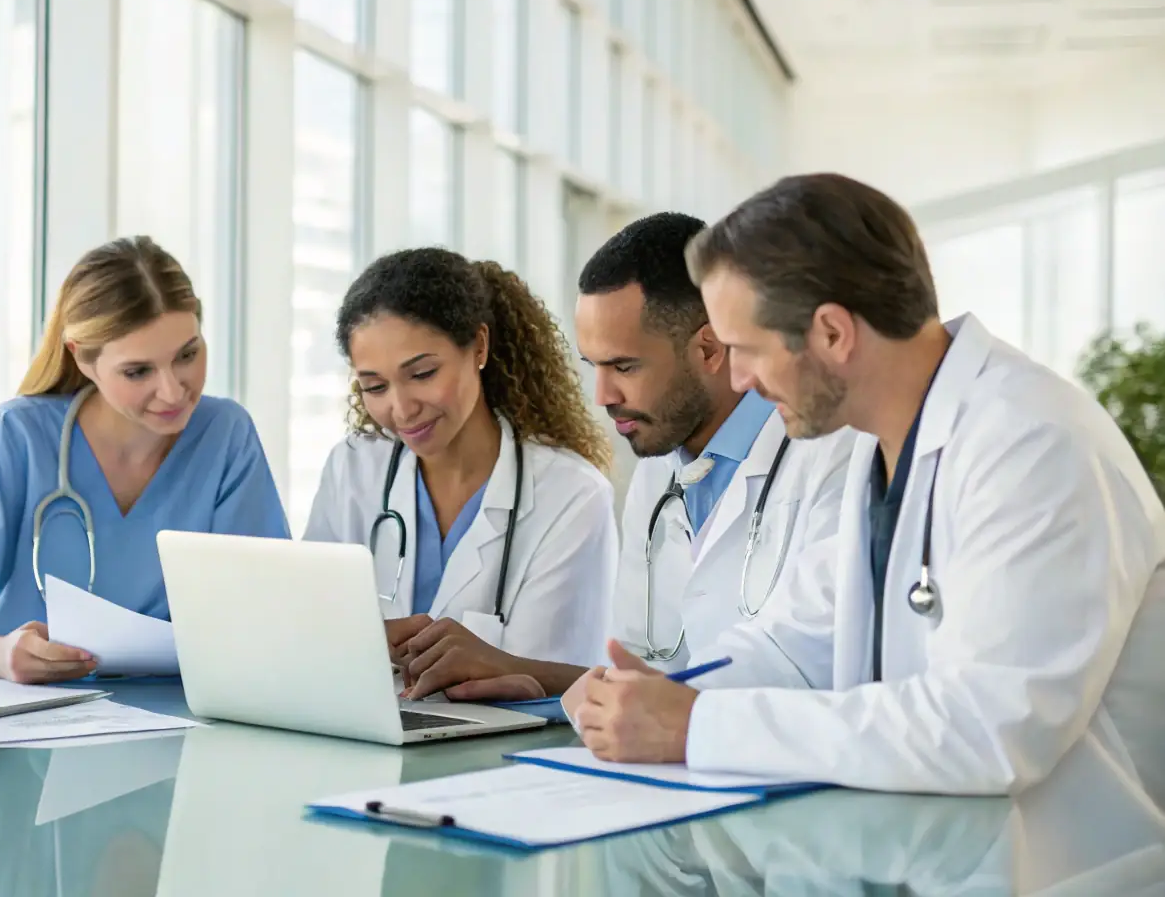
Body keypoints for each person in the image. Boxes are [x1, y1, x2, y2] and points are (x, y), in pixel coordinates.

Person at [572, 173, 1165, 806]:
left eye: (746, 349)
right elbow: (794, 639)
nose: (738, 379)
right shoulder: (881, 450)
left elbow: (989, 729)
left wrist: (695, 725)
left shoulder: (1033, 444)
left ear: (832, 333)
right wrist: (657, 694)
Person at [393, 214, 853, 701]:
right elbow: (642, 673)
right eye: (594, 366)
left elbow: (799, 668)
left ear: (710, 348)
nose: (603, 395)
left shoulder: (831, 454)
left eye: (624, 366)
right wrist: (531, 682)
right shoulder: (659, 472)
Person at [0, 236, 290, 683]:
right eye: (138, 371)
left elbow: (259, 614)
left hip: (175, 723)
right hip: (21, 728)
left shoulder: (225, 434)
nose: (173, 390)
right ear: (82, 357)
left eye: (187, 355)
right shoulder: (13, 437)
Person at [304, 247, 617, 668]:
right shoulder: (353, 470)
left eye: (422, 374)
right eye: (375, 387)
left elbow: (566, 679)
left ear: (479, 347)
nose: (401, 409)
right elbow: (307, 633)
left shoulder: (571, 495)